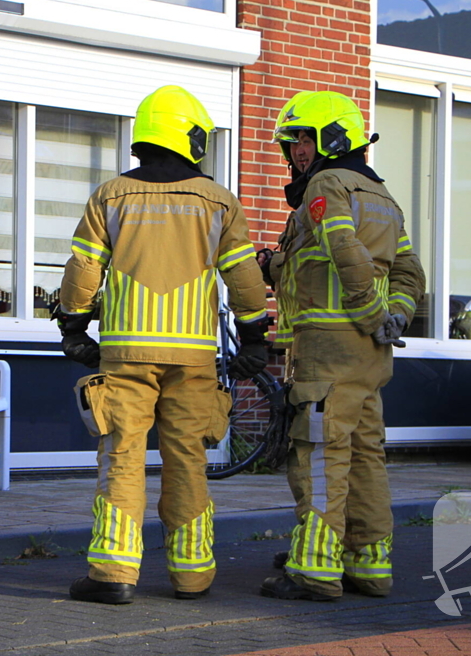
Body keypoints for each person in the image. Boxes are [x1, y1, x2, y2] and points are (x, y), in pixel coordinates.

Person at [54, 85, 270, 605]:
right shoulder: (219, 202)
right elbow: (242, 276)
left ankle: (113, 575)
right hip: (193, 357)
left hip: (126, 355)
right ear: (191, 137)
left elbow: (85, 269)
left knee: (121, 458)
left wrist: (74, 329)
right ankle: (192, 576)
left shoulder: (110, 196)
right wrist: (256, 339)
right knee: (187, 460)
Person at [257, 91, 426, 601]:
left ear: (332, 138)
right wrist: (393, 317)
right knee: (364, 455)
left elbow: (343, 249)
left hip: (328, 352)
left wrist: (372, 311)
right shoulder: (382, 196)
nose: (296, 152)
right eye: (292, 143)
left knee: (319, 454)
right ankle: (369, 564)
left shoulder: (328, 185)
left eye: (303, 139)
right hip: (370, 355)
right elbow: (408, 270)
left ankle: (314, 569)